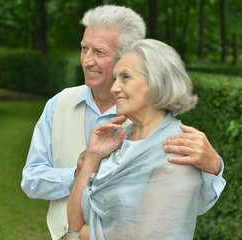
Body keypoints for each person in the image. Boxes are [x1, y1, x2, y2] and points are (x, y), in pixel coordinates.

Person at [21, 5, 226, 240]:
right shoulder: (58, 105)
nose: (87, 61)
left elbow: (181, 210)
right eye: (84, 49)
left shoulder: (168, 137)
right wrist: (84, 169)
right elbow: (33, 180)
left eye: (99, 52)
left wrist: (213, 167)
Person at [68, 38, 211, 239]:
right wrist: (92, 157)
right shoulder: (118, 141)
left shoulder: (177, 148)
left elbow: (149, 234)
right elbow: (75, 222)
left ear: (157, 82)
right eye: (115, 78)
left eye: (125, 77)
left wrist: (87, 234)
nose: (114, 88)